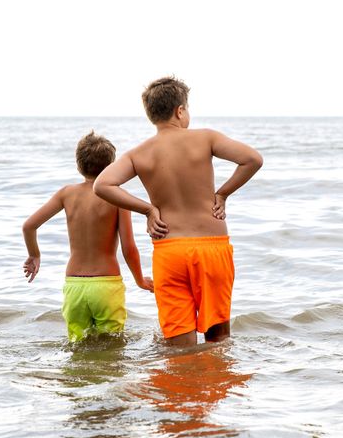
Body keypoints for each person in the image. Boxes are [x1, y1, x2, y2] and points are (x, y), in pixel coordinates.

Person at [93, 77, 263, 346]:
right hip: (211, 249)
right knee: (218, 341)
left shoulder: (139, 153)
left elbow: (102, 185)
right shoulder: (205, 138)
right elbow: (253, 159)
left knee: (178, 346)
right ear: (180, 110)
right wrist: (223, 193)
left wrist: (147, 210)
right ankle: (215, 386)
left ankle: (180, 387)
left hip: (169, 251)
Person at [22, 131, 153, 341]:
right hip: (106, 285)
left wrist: (34, 255)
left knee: (77, 347)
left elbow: (29, 226)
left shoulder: (66, 193)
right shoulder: (115, 195)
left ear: (78, 165)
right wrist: (140, 281)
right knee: (112, 347)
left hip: (74, 285)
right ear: (111, 167)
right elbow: (129, 248)